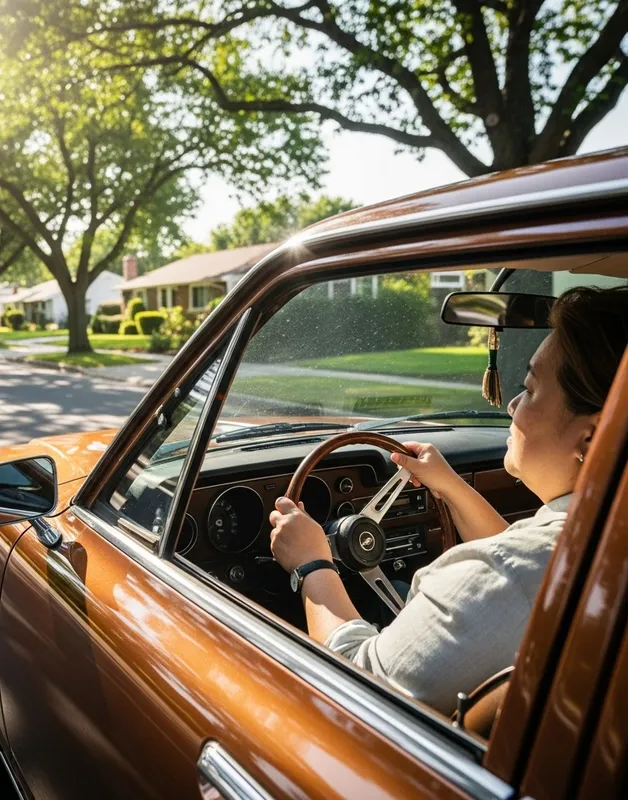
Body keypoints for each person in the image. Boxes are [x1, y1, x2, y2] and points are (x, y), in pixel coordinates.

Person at [269, 285, 628, 715]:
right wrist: (451, 488)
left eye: (530, 389)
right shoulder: (586, 544)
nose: (512, 405)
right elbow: (519, 566)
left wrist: (312, 564)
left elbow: (357, 683)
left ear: (591, 438)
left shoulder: (511, 575)